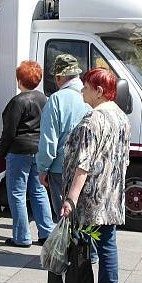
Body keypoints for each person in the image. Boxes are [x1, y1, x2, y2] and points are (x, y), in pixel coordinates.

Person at [59, 68, 130, 283]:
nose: (82, 90)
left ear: (99, 91)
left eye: (86, 86)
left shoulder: (94, 120)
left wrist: (71, 199)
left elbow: (83, 163)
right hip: (112, 194)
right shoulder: (121, 117)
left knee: (81, 245)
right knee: (107, 244)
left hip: (91, 197)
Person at [0, 60, 54, 248]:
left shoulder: (17, 101)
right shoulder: (44, 99)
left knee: (17, 193)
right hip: (38, 149)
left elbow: (9, 131)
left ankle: (22, 236)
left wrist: (3, 150)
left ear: (19, 80)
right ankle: (46, 232)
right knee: (39, 191)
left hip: (19, 150)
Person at [36, 54, 91, 219]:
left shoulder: (56, 99)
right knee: (82, 221)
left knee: (65, 221)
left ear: (59, 77)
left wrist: (42, 169)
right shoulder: (91, 96)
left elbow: (48, 141)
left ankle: (68, 246)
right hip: (86, 168)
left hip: (60, 169)